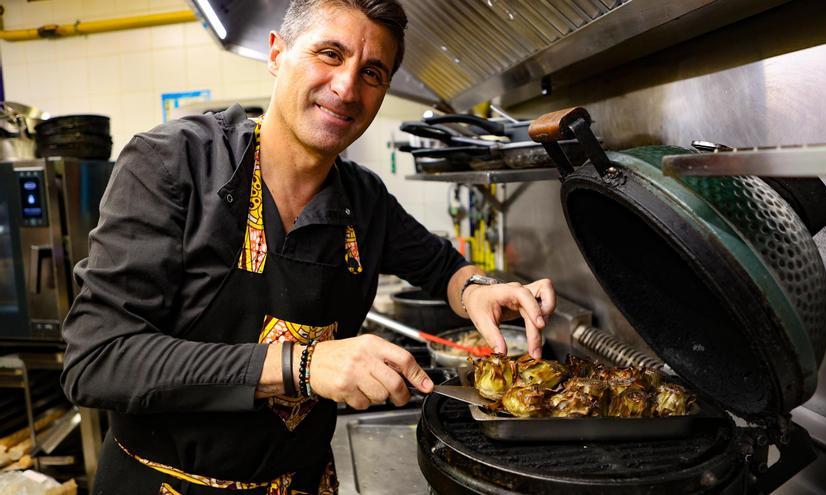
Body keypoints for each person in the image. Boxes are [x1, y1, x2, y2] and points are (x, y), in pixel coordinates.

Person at [61, 0, 556, 493]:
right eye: (330, 54)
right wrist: (303, 365)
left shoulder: (363, 200)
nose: (346, 89)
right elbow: (99, 359)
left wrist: (479, 290)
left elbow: (442, 266)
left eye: (373, 72)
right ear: (276, 53)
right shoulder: (173, 164)